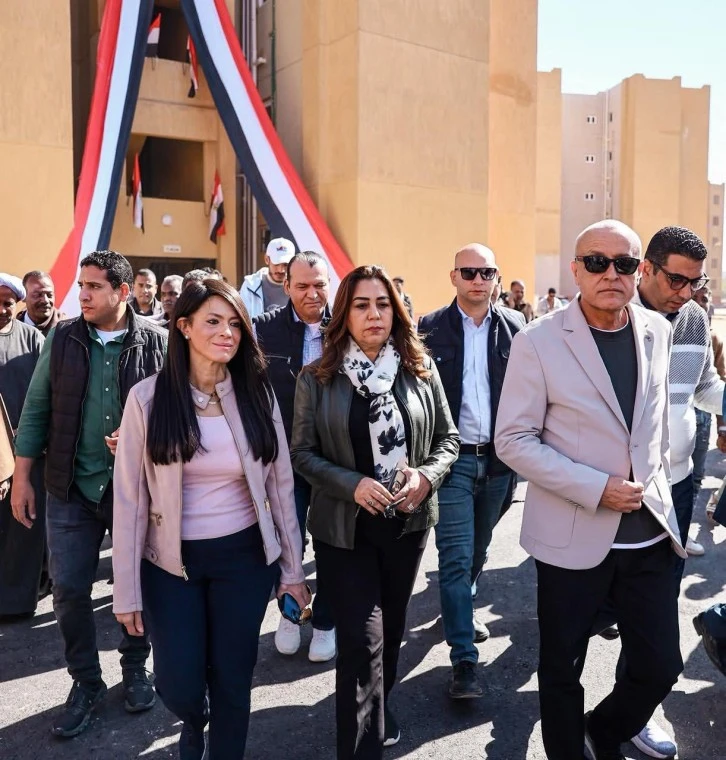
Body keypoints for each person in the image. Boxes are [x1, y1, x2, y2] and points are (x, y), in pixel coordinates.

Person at [495, 220, 686, 760]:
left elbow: (651, 427)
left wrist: (659, 482)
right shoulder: (537, 341)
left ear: (639, 271)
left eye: (624, 264)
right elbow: (513, 439)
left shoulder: (658, 330)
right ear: (575, 270)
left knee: (661, 665)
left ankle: (602, 731)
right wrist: (596, 488)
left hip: (649, 532)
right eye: (597, 262)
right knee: (562, 669)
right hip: (572, 536)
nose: (611, 274)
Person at [113, 278, 308, 759]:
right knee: (178, 681)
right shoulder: (147, 399)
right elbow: (130, 501)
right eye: (214, 322)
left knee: (233, 678)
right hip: (169, 564)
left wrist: (292, 572)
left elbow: (281, 488)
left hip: (244, 558)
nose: (228, 333)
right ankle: (193, 717)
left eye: (236, 324)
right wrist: (126, 591)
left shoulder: (256, 394)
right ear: (183, 327)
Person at [291, 265, 458, 757]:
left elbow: (448, 440)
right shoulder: (316, 378)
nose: (374, 314)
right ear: (344, 314)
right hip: (344, 532)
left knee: (392, 630)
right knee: (361, 644)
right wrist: (353, 484)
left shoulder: (420, 369)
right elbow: (302, 453)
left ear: (396, 312)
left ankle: (380, 705)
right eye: (361, 305)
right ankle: (361, 743)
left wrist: (425, 477)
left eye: (383, 304)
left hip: (406, 526)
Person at [11, 250, 167, 738]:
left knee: (135, 584)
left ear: (123, 292)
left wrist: (143, 435)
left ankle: (136, 667)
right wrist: (22, 478)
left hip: (135, 491)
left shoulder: (158, 342)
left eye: (95, 286)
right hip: (70, 489)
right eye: (81, 285)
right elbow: (36, 408)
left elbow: (179, 410)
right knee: (69, 589)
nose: (83, 294)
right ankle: (85, 680)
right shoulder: (62, 338)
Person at [626, 225, 726, 757]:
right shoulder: (614, 314)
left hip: (679, 484)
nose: (686, 293)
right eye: (676, 280)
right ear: (646, 268)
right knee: (598, 605)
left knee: (655, 607)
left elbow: (703, 387)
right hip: (622, 488)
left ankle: (632, 713)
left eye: (696, 282)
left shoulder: (693, 318)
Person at [418, 245, 524, 698]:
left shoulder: (517, 328)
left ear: (496, 277)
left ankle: (460, 606)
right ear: (453, 276)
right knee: (456, 557)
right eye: (469, 272)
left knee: (479, 550)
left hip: (500, 460)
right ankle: (464, 660)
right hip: (452, 460)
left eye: (487, 272)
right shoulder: (428, 329)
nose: (478, 279)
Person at [253, 251, 336, 662]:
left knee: (333, 546)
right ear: (286, 286)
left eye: (319, 284)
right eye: (302, 286)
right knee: (288, 544)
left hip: (335, 463)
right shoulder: (264, 329)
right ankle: (290, 613)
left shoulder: (347, 327)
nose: (311, 293)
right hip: (284, 460)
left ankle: (325, 622)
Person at [0, 274, 47, 619]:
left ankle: (15, 604)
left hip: (25, 453)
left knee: (23, 528)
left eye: (8, 303)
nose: (3, 309)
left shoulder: (32, 339)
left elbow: (46, 392)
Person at [691, 285, 726, 518]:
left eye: (703, 299)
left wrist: (722, 428)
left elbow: (718, 384)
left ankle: (682, 532)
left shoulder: (713, 339)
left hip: (701, 421)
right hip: (670, 421)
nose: (698, 304)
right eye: (693, 298)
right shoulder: (664, 331)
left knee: (695, 476)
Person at [240, 237, 295, 318]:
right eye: (276, 264)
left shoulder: (299, 286)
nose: (281, 270)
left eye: (285, 265)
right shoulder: (249, 286)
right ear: (267, 259)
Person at [17, 271, 67, 336]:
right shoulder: (12, 328)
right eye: (38, 295)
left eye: (49, 295)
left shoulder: (67, 330)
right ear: (24, 297)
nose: (45, 300)